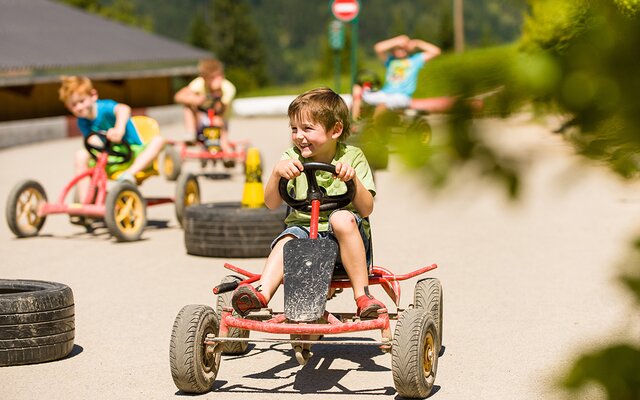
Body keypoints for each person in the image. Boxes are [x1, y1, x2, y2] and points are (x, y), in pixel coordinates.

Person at [231, 87, 385, 319]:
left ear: (336, 130)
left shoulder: (352, 157)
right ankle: (260, 293)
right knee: (289, 238)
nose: (299, 136)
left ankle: (363, 296)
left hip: (345, 237)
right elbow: (271, 203)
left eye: (307, 128)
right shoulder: (291, 157)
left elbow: (366, 208)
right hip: (303, 231)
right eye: (294, 129)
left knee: (341, 217)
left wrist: (352, 178)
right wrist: (276, 174)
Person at [58, 76, 165, 191]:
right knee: (80, 155)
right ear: (67, 107)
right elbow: (92, 140)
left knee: (159, 141)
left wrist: (119, 128)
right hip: (111, 157)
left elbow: (123, 109)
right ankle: (86, 200)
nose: (79, 107)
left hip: (134, 153)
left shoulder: (104, 108)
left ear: (93, 95)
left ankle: (129, 174)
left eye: (81, 101)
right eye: (73, 105)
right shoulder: (82, 121)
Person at [351, 34, 441, 120]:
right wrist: (397, 41)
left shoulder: (415, 60)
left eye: (403, 48)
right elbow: (378, 48)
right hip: (384, 94)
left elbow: (436, 51)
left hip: (401, 97)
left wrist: (417, 43)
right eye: (398, 48)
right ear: (393, 49)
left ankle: (372, 129)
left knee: (382, 105)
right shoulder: (390, 60)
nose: (401, 50)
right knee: (357, 89)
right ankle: (355, 122)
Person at [174, 58, 236, 154]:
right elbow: (178, 96)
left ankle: (225, 147)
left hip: (220, 120)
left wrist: (217, 92)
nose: (217, 80)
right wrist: (195, 99)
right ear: (204, 78)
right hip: (201, 119)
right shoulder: (199, 84)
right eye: (212, 78)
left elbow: (221, 109)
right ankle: (190, 134)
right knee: (187, 106)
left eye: (219, 76)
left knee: (217, 121)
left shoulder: (228, 88)